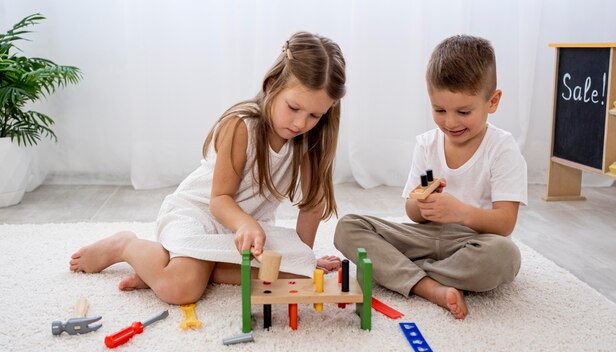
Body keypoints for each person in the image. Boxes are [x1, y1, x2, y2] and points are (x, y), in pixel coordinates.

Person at [70, 31, 346, 305]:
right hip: (198, 216)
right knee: (180, 289)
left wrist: (302, 259)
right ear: (271, 85)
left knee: (292, 276)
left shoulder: (309, 139)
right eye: (294, 108)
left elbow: (312, 205)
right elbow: (219, 200)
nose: (300, 123)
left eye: (314, 115)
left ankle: (167, 266)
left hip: (242, 232)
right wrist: (246, 223)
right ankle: (126, 246)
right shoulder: (241, 126)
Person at [334, 34, 527, 320]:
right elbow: (412, 213)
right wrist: (423, 204)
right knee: (347, 227)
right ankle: (429, 286)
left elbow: (505, 223)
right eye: (439, 110)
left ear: (493, 101)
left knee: (505, 257)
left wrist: (460, 212)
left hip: (474, 242)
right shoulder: (427, 144)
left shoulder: (502, 148)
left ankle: (402, 272)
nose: (450, 122)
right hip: (424, 237)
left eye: (463, 111)